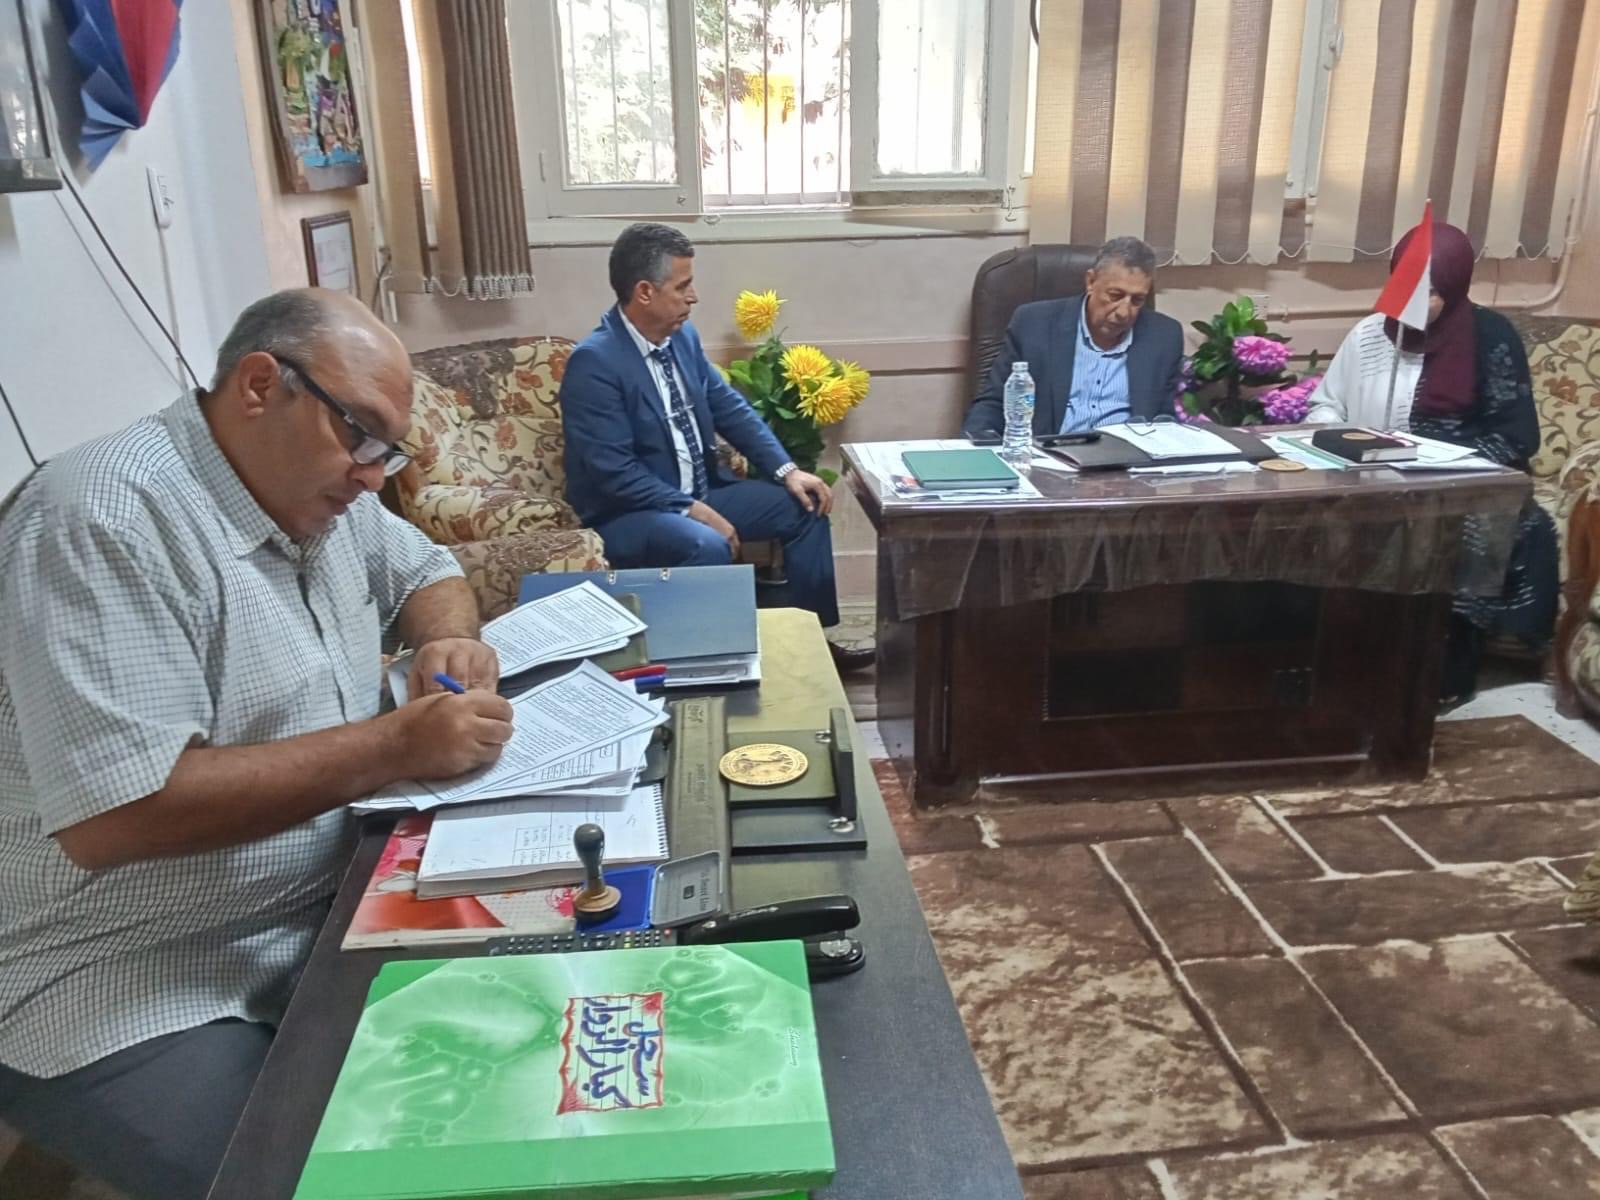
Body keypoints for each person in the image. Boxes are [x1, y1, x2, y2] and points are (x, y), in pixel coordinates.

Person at [0, 289, 516, 1200]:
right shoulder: (101, 519)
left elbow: (427, 568)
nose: (372, 476)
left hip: (324, 905)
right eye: (362, 435)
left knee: (531, 1065)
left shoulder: (318, 493)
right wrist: (392, 746)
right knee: (338, 1183)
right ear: (259, 386)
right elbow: (123, 813)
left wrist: (447, 639)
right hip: (127, 972)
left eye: (387, 451)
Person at [561, 222, 872, 671]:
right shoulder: (595, 362)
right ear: (645, 292)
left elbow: (729, 407)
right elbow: (614, 472)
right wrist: (692, 510)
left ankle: (808, 647)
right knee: (705, 543)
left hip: (704, 491)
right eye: (682, 286)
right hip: (629, 513)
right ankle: (719, 662)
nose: (694, 297)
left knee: (806, 506)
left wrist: (787, 471)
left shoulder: (681, 338)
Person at [1306, 221, 1558, 703]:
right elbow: (1325, 406)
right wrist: (1342, 439)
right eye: (1407, 289)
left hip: (1471, 477)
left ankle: (1446, 670)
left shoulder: (1491, 335)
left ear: (1456, 287)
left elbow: (1516, 435)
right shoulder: (1370, 334)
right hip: (1372, 473)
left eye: (1433, 293)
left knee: (1466, 529)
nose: (1417, 305)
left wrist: (1447, 467)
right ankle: (1350, 655)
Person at [962, 236, 1185, 439]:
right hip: (1051, 457)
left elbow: (1166, 420)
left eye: (1137, 300)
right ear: (1091, 282)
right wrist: (973, 446)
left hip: (1128, 461)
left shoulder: (1164, 337)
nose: (1124, 312)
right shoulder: (1034, 325)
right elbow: (994, 403)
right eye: (1115, 296)